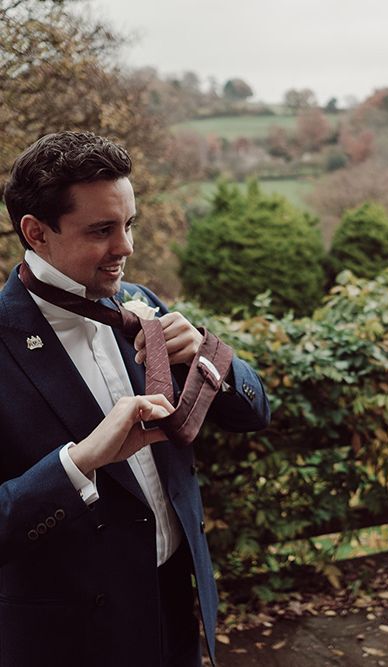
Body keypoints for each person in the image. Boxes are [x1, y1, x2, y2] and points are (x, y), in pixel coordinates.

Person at [0, 131, 270, 667]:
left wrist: (209, 361)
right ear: (37, 233)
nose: (126, 248)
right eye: (102, 230)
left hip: (176, 603)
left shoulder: (139, 304)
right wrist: (79, 463)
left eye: (129, 225)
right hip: (70, 637)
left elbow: (256, 413)